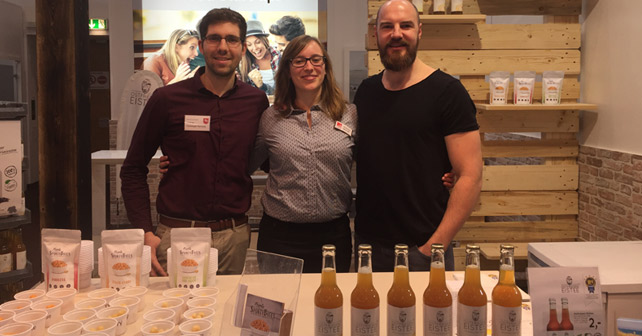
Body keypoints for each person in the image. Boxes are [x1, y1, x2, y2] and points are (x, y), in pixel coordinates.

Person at [121, 8, 269, 276]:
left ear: (242, 47)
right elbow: (132, 168)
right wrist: (145, 231)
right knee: (171, 316)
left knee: (225, 315)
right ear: (201, 45)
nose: (223, 47)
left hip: (234, 237)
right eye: (214, 38)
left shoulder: (255, 102)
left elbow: (267, 159)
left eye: (232, 39)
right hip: (178, 235)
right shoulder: (167, 99)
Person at [353, 0, 483, 272]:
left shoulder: (448, 93)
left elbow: (471, 176)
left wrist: (433, 247)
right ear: (375, 33)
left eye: (405, 26)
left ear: (419, 31)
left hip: (424, 249)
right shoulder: (365, 92)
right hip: (369, 248)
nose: (396, 34)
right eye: (387, 26)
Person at [249, 35, 355, 273]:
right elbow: (242, 164)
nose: (309, 67)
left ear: (325, 67)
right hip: (279, 236)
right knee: (279, 307)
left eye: (316, 60)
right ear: (287, 69)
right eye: (299, 61)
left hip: (333, 236)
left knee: (329, 307)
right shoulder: (270, 118)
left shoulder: (349, 115)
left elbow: (379, 161)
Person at [237, 20, 280, 94]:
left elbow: (282, 93)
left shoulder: (279, 57)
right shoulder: (243, 63)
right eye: (249, 45)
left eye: (257, 42)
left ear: (265, 40)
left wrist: (261, 86)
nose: (254, 48)